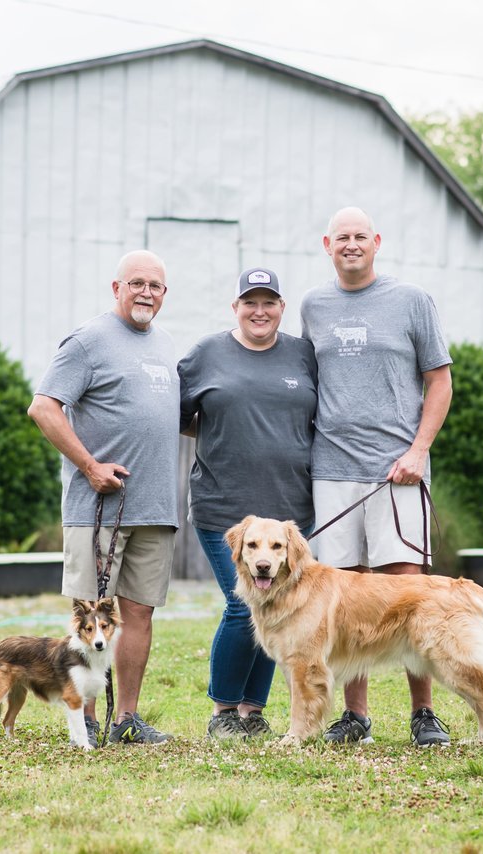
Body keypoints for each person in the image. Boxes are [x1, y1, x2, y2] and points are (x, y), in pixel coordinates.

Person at [299, 206, 454, 747]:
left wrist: (418, 451)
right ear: (327, 244)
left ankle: (424, 714)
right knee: (340, 599)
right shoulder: (313, 306)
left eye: (360, 236)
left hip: (398, 472)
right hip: (333, 468)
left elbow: (439, 382)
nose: (351, 244)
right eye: (341, 237)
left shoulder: (412, 301)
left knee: (409, 593)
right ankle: (355, 717)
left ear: (377, 242)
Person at [28, 249, 179, 745]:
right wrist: (90, 466)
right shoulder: (87, 342)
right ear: (116, 289)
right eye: (136, 283)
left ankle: (126, 721)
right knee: (91, 610)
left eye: (155, 286)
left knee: (139, 613)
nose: (146, 293)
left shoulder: (165, 347)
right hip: (99, 508)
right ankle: (85, 718)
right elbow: (44, 408)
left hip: (155, 509)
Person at [177, 267, 318, 740]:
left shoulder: (303, 354)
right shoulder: (205, 355)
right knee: (244, 605)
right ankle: (222, 713)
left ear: (281, 307)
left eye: (269, 302)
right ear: (235, 307)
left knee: (276, 606)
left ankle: (252, 713)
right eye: (250, 302)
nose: (260, 311)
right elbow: (180, 417)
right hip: (226, 508)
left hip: (288, 514)